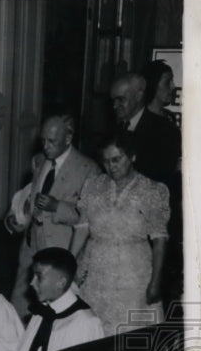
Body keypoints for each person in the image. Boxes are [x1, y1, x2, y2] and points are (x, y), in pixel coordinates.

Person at [69, 133, 170, 335]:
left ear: (132, 157)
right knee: (93, 328)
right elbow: (82, 229)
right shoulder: (93, 186)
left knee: (130, 332)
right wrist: (69, 266)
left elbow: (159, 241)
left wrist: (155, 282)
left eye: (116, 159)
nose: (111, 166)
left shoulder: (152, 190)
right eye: (105, 161)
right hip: (97, 271)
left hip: (134, 275)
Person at [4, 114, 100, 317]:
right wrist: (19, 219)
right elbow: (29, 197)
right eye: (43, 141)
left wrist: (58, 207)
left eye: (52, 141)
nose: (46, 146)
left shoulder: (88, 169)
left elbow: (91, 219)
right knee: (18, 306)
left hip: (60, 249)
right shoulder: (39, 161)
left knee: (54, 310)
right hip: (31, 247)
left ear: (68, 138)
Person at [110, 72, 180, 190]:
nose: (114, 106)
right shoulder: (112, 128)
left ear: (138, 95)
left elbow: (163, 181)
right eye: (113, 100)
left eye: (121, 100)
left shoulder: (165, 130)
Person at [143, 59, 178, 124]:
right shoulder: (139, 119)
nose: (173, 86)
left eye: (172, 81)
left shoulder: (170, 117)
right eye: (167, 82)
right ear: (153, 84)